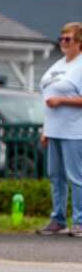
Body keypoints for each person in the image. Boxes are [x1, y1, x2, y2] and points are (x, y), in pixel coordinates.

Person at [38, 22, 82, 236]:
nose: (63, 42)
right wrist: (46, 129)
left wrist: (62, 101)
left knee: (76, 177)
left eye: (68, 39)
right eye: (61, 38)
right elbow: (46, 97)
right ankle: (58, 219)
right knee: (55, 176)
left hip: (75, 130)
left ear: (79, 42)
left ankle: (80, 221)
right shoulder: (57, 65)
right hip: (54, 128)